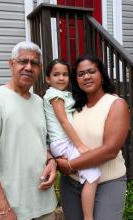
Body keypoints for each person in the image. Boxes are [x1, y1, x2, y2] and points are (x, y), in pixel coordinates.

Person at [0, 41, 57, 220]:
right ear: (11, 64)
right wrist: (3, 208)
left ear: (39, 69)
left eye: (34, 63)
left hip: (44, 204)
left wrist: (51, 161)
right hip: (12, 208)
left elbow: (40, 142)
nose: (28, 67)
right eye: (23, 61)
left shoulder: (40, 102)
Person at [56, 55, 130, 220]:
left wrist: (68, 164)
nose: (86, 77)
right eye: (81, 74)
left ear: (102, 75)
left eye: (91, 72)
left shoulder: (115, 104)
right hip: (72, 183)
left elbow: (109, 151)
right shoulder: (72, 106)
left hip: (107, 182)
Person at [43, 59, 101, 220]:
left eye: (65, 74)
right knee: (94, 175)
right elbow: (64, 121)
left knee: (84, 172)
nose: (61, 78)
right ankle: (88, 217)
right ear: (48, 79)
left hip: (64, 142)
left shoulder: (63, 94)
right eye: (56, 75)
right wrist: (80, 145)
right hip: (63, 142)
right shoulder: (54, 95)